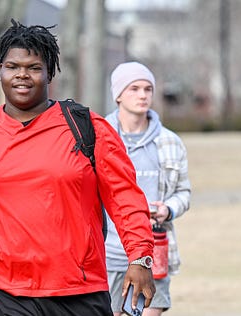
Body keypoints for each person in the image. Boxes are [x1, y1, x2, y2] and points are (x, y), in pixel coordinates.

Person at [0, 20, 155, 316]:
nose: (22, 75)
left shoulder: (86, 127)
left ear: (49, 73)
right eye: (12, 66)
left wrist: (141, 257)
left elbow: (125, 198)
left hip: (75, 292)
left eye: (33, 67)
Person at [104, 62, 191, 316]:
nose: (142, 95)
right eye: (134, 88)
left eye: (148, 89)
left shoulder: (170, 142)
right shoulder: (101, 138)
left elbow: (184, 192)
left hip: (152, 256)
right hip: (107, 257)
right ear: (118, 95)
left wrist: (168, 209)